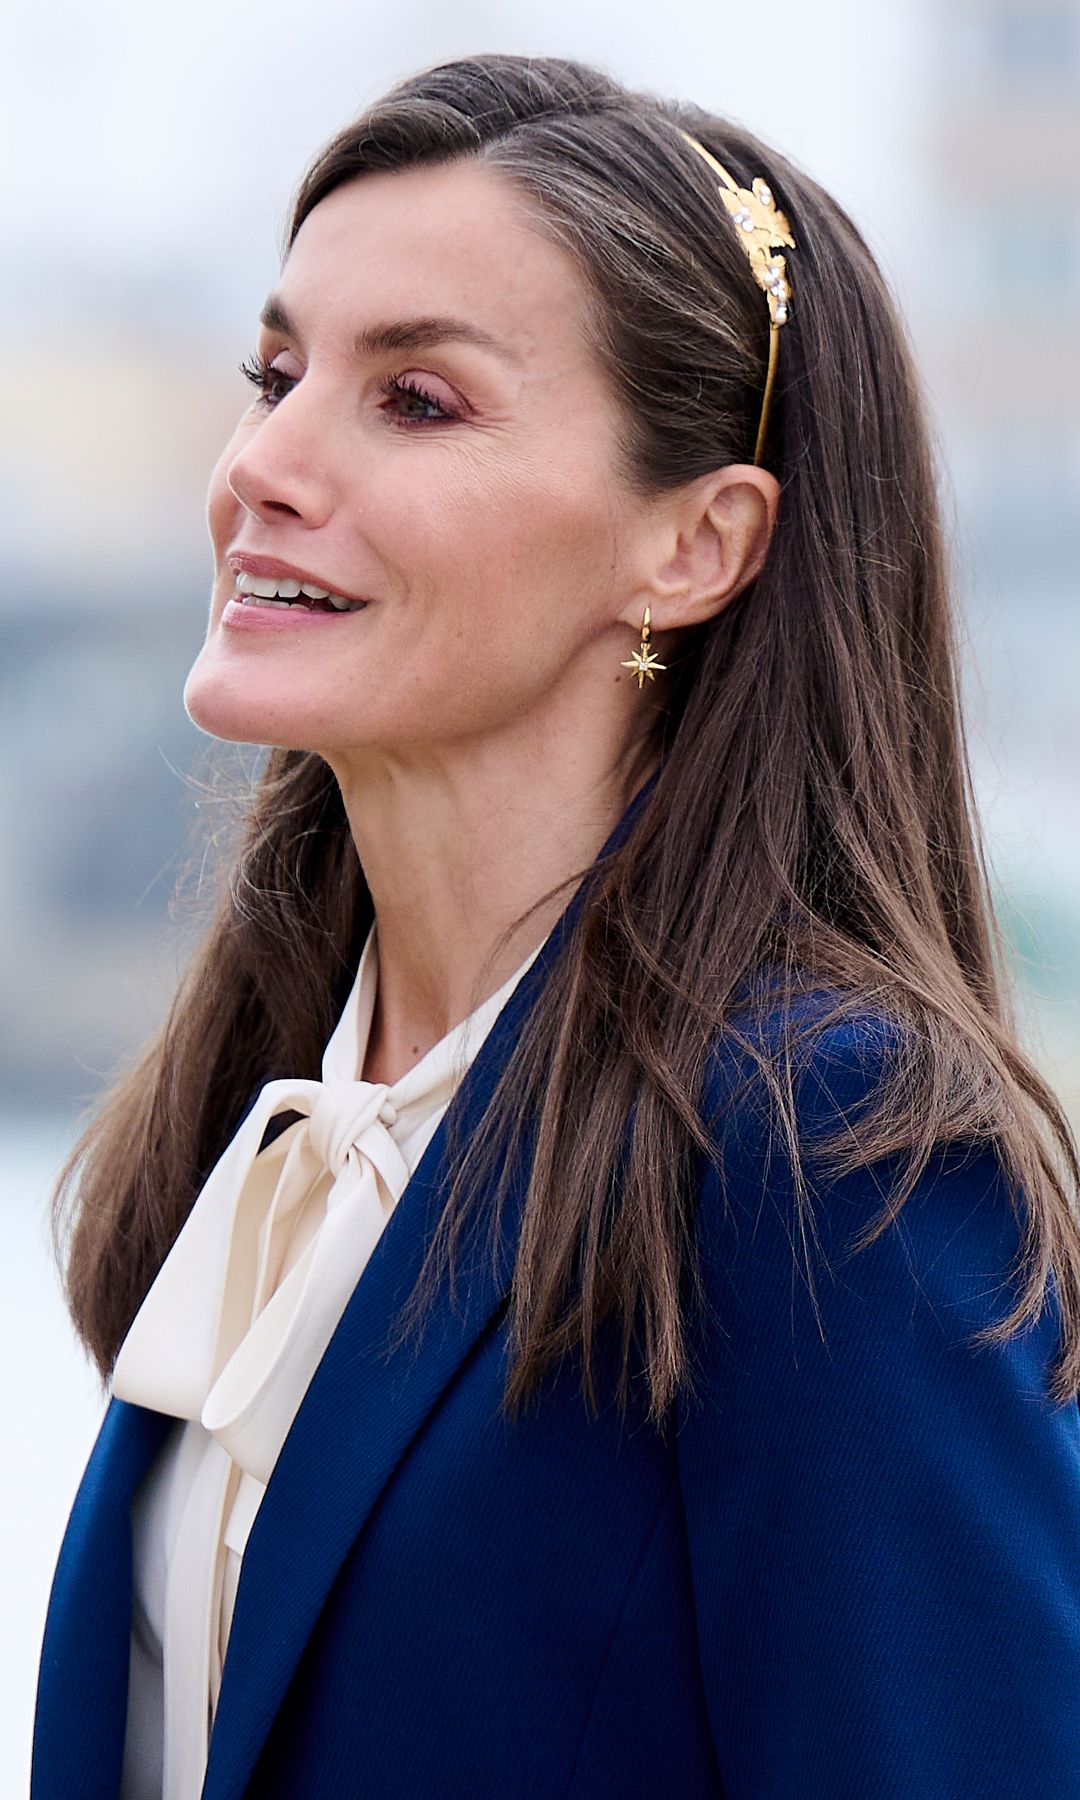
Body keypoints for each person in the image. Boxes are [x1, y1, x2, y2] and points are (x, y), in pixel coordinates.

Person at [32, 51, 1080, 1800]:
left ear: (694, 544)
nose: (263, 467)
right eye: (275, 372)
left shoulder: (823, 1148)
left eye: (416, 399)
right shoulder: (265, 1113)